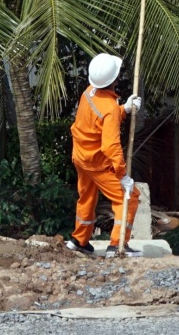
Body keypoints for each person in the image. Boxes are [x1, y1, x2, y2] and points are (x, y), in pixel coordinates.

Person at [66, 53, 143, 255]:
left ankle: (79, 240)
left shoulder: (89, 92)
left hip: (81, 157)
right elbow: (111, 146)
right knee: (129, 197)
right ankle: (117, 246)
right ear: (115, 79)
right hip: (97, 163)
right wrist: (122, 175)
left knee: (87, 197)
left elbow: (98, 119)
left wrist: (124, 109)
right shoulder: (109, 108)